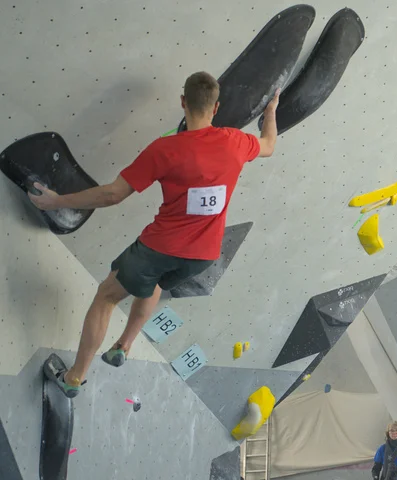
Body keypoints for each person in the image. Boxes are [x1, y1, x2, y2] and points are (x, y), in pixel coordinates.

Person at [33, 73, 278, 398]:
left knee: (106, 297)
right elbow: (269, 145)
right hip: (203, 256)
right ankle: (124, 345)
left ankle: (74, 378)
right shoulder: (236, 142)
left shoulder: (165, 150)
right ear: (216, 107)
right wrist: (271, 110)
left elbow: (112, 195)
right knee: (156, 283)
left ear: (182, 103)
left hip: (160, 247)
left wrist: (56, 201)